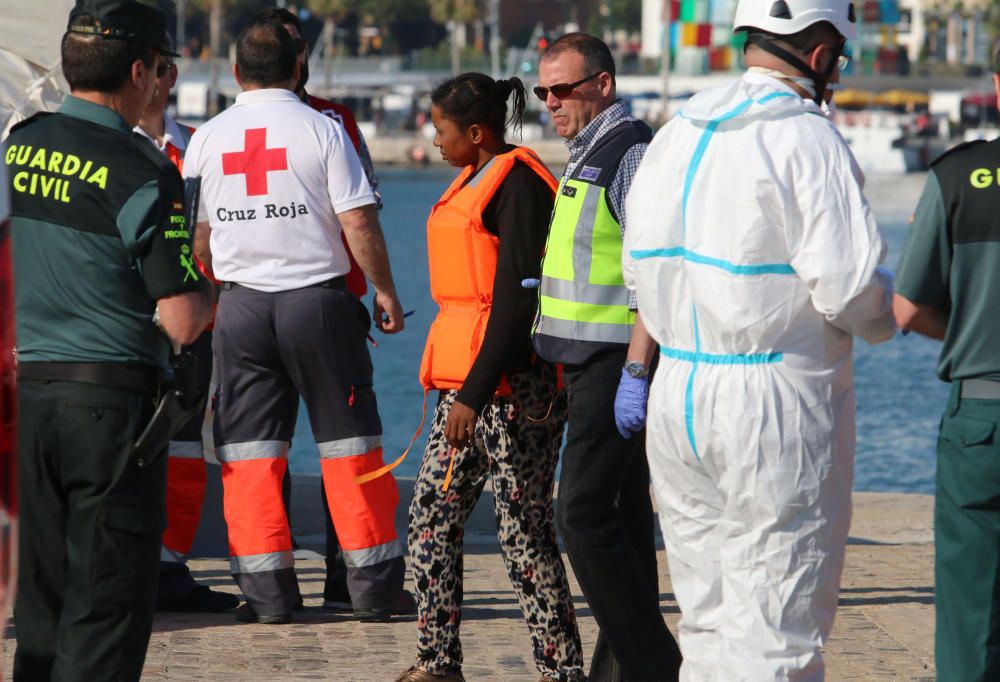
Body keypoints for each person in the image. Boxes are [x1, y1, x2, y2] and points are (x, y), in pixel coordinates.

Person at [621, 0, 896, 678]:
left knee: (708, 616)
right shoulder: (807, 139)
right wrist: (903, 304)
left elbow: (637, 270)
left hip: (678, 392)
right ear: (823, 54)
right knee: (778, 620)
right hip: (770, 401)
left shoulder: (677, 129)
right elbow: (851, 290)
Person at [5, 0, 215, 678]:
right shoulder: (143, 170)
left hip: (34, 401)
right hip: (112, 413)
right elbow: (181, 317)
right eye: (160, 70)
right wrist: (210, 294)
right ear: (140, 72)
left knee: (44, 601)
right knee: (107, 605)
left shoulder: (20, 144)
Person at [183, 18, 407, 624]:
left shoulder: (207, 137)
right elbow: (358, 222)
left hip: (241, 307)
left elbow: (197, 236)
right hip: (320, 304)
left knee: (250, 456)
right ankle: (370, 593)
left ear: (235, 72)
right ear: (297, 66)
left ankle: (268, 598)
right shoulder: (325, 128)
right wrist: (385, 292)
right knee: (350, 448)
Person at [396, 73, 584, 682]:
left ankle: (560, 671)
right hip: (466, 389)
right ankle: (437, 663)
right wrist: (464, 392)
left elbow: (514, 304)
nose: (433, 141)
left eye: (441, 131)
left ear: (476, 133)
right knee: (430, 514)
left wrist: (474, 394)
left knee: (522, 532)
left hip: (513, 392)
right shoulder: (468, 181)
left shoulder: (520, 186)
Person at [531, 33, 682, 680]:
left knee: (581, 513)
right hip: (586, 359)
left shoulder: (630, 155)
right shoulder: (585, 154)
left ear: (603, 85)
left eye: (562, 89)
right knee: (620, 514)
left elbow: (653, 267)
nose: (550, 102)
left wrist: (640, 372)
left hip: (616, 362)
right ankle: (622, 671)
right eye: (543, 92)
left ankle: (657, 664)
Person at [254, 6, 413, 617]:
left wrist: (371, 291)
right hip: (299, 303)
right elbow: (359, 210)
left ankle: (347, 577)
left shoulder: (332, 117)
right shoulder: (322, 124)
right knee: (269, 449)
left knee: (343, 449)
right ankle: (273, 580)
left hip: (325, 301)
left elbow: (362, 207)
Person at [893, 42, 1000, 682]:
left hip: (980, 420)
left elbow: (905, 309)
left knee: (969, 612)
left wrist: (972, 337)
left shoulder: (958, 176)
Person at [134, 36, 240, 615]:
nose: (158, 78)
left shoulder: (202, 147)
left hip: (196, 322)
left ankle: (171, 567)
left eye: (166, 68)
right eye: (151, 67)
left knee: (183, 450)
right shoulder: (105, 150)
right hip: (126, 323)